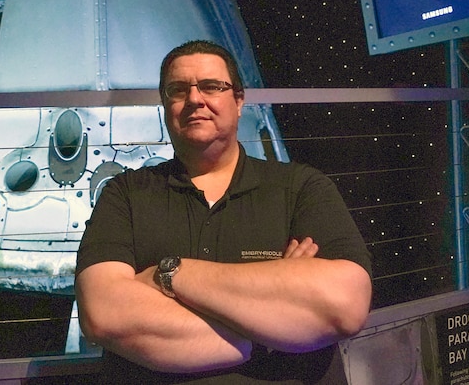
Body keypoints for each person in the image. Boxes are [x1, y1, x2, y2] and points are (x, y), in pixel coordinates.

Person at [74, 40, 373, 384]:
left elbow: (344, 307)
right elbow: (104, 314)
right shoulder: (125, 194)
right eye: (178, 89)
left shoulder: (301, 188)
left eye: (212, 86)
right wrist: (274, 324)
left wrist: (170, 274)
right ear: (165, 103)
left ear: (239, 100)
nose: (195, 99)